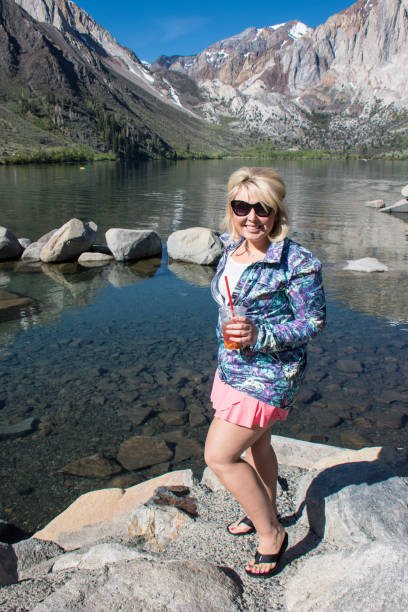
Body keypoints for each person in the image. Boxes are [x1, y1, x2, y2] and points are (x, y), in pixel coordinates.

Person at [204, 167, 326, 578]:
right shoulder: (231, 247)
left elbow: (313, 322)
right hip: (232, 365)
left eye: (263, 208)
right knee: (259, 447)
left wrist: (261, 334)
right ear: (231, 209)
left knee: (219, 455)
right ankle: (263, 511)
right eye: (242, 206)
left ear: (277, 212)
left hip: (269, 375)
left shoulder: (296, 261)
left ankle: (271, 534)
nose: (251, 217)